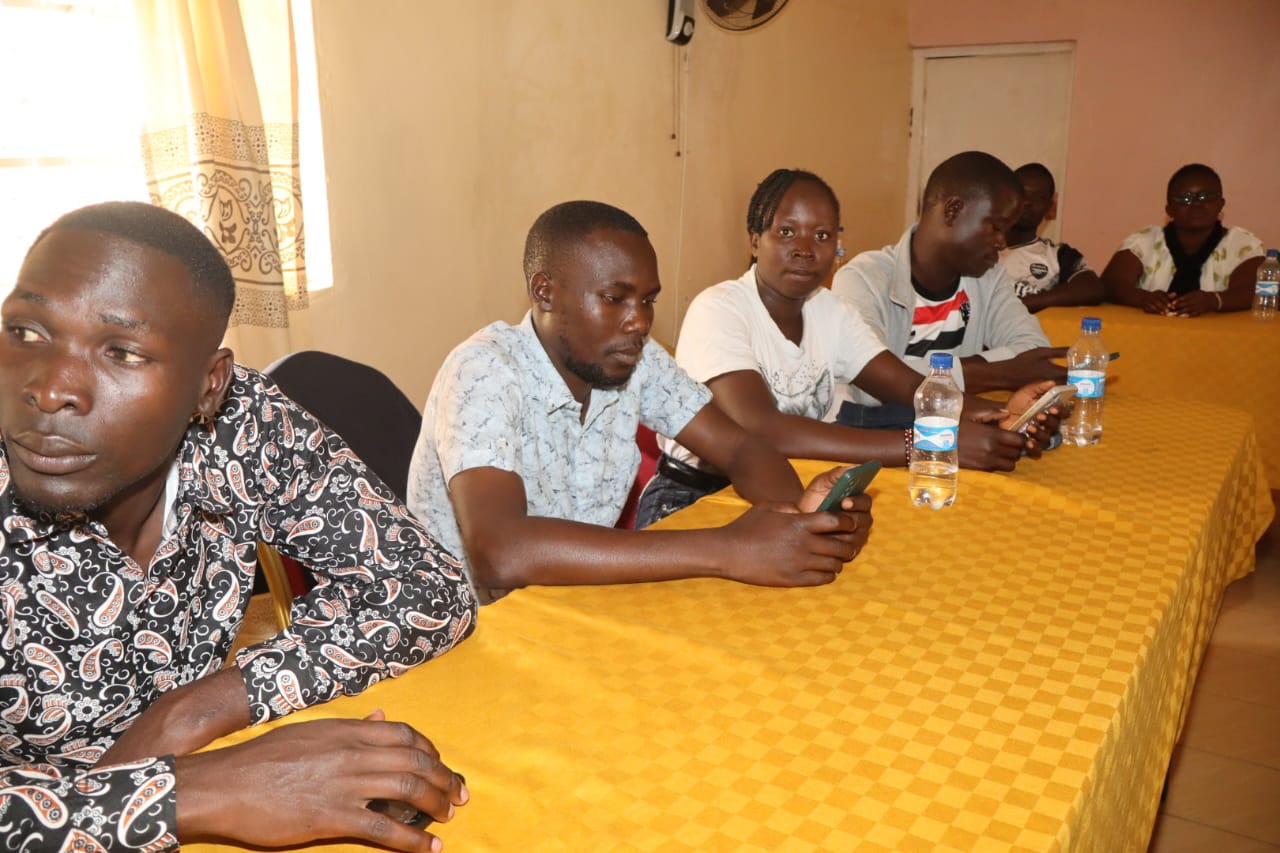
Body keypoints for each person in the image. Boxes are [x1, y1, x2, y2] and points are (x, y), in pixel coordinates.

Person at [0, 202, 475, 853]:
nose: (51, 389)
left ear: (208, 386)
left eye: (122, 351)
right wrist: (186, 791)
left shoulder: (241, 425)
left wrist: (199, 708)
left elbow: (428, 587)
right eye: (25, 331)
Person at [406, 200, 871, 604]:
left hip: (577, 606)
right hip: (470, 632)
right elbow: (499, 552)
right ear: (544, 292)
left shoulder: (635, 360)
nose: (639, 322)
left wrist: (803, 520)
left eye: (648, 301)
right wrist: (728, 549)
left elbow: (741, 449)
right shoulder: (485, 370)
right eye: (615, 298)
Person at [636, 169, 1061, 527]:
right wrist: (923, 444)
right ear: (754, 241)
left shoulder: (830, 310)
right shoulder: (720, 308)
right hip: (696, 496)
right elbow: (762, 429)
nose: (805, 249)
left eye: (822, 235)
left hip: (797, 481)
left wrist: (998, 413)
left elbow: (907, 386)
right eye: (786, 232)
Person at [830, 150, 1067, 420]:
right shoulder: (864, 278)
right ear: (953, 211)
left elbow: (1032, 352)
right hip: (888, 438)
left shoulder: (989, 278)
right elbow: (868, 387)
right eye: (996, 227)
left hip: (956, 428)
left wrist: (907, 371)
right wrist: (999, 372)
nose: (1002, 242)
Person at [1101, 163, 1265, 316]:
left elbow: (1256, 291)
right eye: (1185, 198)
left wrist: (1213, 301)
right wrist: (1143, 298)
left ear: (1220, 204)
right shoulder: (1145, 240)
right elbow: (1110, 284)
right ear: (1169, 209)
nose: (1196, 204)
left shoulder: (1243, 245)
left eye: (1205, 197)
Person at [999, 162, 1103, 313]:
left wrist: (1022, 304)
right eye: (1022, 194)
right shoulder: (976, 247)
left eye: (1039, 198)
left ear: (1050, 206)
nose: (1028, 202)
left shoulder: (1059, 256)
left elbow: (1092, 288)